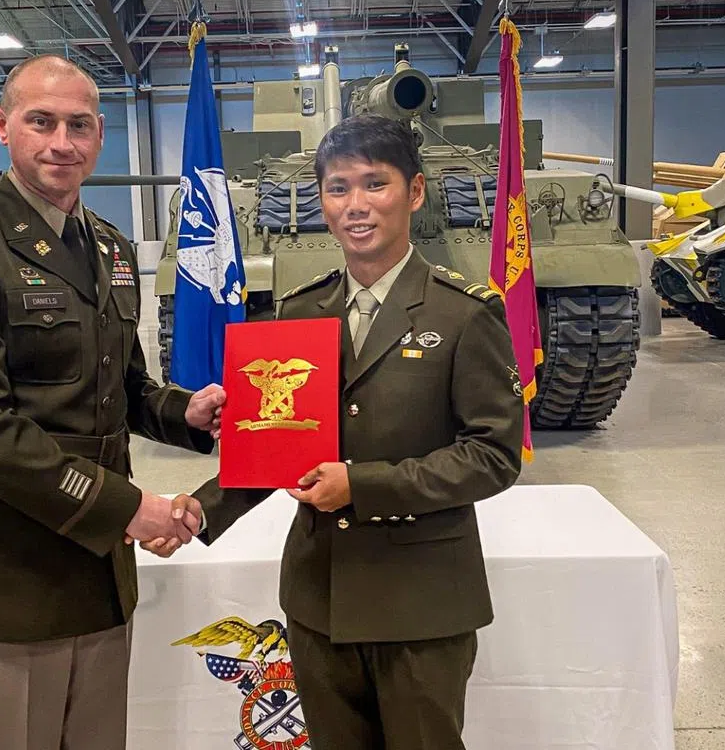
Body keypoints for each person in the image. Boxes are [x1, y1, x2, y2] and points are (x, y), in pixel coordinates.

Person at [144, 113, 525, 749]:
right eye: (338, 188)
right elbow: (278, 446)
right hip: (319, 598)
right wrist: (196, 514)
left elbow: (492, 455)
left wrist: (363, 485)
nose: (356, 206)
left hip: (421, 601)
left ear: (416, 192)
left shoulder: (464, 315)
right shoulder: (301, 311)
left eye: (375, 185)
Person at [0, 54, 216, 750]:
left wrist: (184, 414)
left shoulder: (110, 248)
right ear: (3, 127)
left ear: (100, 137)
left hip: (92, 573)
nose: (61, 142)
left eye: (79, 125)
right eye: (41, 122)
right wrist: (130, 508)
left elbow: (123, 388)